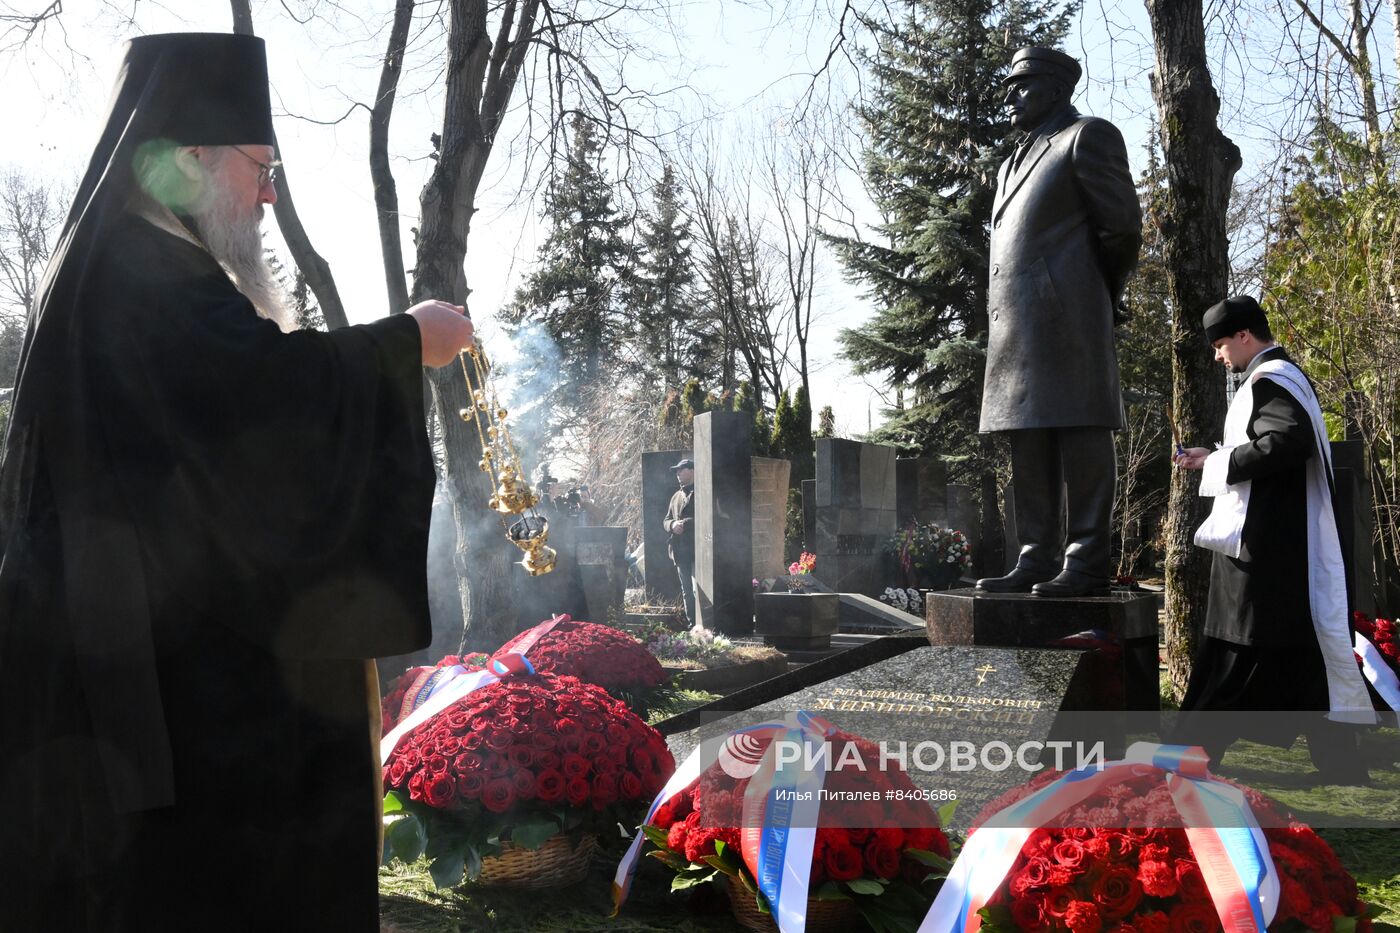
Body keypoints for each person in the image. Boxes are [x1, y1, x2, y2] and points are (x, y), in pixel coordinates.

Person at [0, 34, 475, 931]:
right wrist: (407, 340)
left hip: (135, 673)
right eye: (261, 166)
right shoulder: (143, 275)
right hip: (166, 706)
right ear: (187, 163)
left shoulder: (129, 263)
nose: (269, 191)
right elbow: (265, 403)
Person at [1172, 295, 1372, 782]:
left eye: (1221, 345)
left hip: (1264, 549)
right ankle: (1342, 763)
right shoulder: (1281, 376)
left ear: (1244, 336)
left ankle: (1185, 756)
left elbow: (1287, 441)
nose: (1219, 356)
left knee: (1235, 650)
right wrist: (1215, 455)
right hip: (1283, 544)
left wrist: (1220, 463)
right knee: (1300, 653)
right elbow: (1272, 446)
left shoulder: (1269, 380)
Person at [974, 47, 1142, 598]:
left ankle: (1087, 560)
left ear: (1054, 89)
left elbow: (1121, 230)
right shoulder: (1008, 164)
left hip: (1070, 320)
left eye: (1023, 84)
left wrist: (1097, 297)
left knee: (1081, 434)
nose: (1011, 95)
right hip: (1017, 331)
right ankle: (1035, 556)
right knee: (1029, 440)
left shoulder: (1086, 136)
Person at [663, 457, 697, 626]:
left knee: (698, 589)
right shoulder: (676, 496)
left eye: (680, 470)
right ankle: (692, 625)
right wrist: (672, 524)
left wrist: (686, 523)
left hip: (697, 550)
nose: (677, 474)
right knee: (686, 591)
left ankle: (704, 625)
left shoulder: (701, 491)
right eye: (676, 471)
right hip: (679, 550)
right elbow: (666, 520)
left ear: (691, 471)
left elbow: (708, 518)